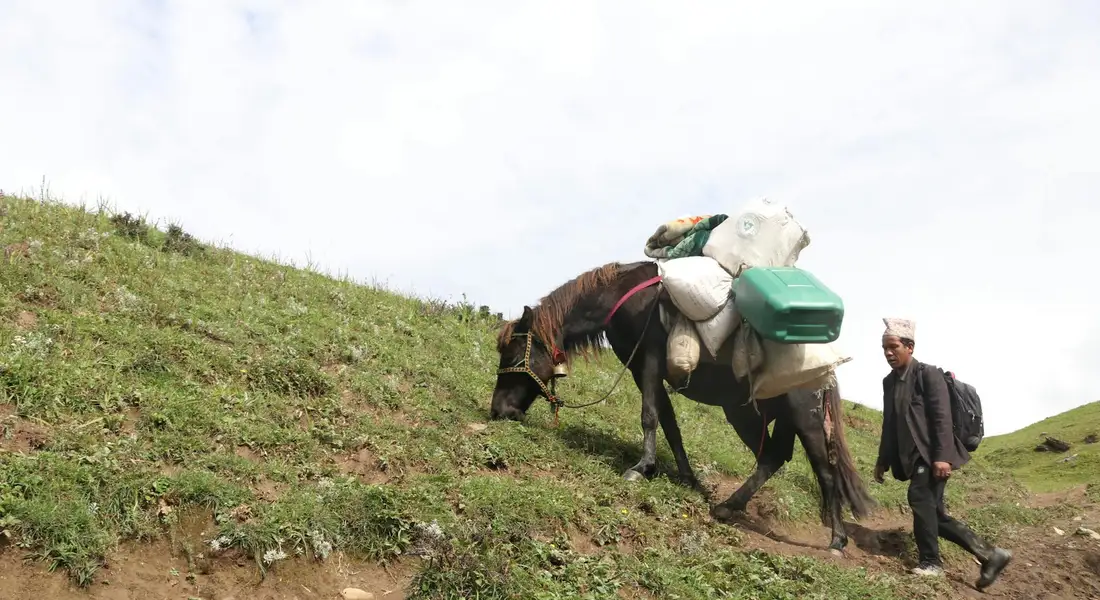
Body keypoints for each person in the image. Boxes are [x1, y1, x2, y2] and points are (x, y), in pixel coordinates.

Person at [874, 317, 1012, 590]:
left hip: (931, 455)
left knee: (919, 497)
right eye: (884, 349)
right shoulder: (889, 382)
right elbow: (889, 423)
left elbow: (941, 418)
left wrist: (942, 457)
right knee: (934, 515)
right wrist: (882, 460)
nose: (888, 353)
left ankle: (931, 562)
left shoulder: (928, 374)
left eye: (894, 347)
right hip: (909, 458)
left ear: (910, 347)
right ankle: (991, 555)